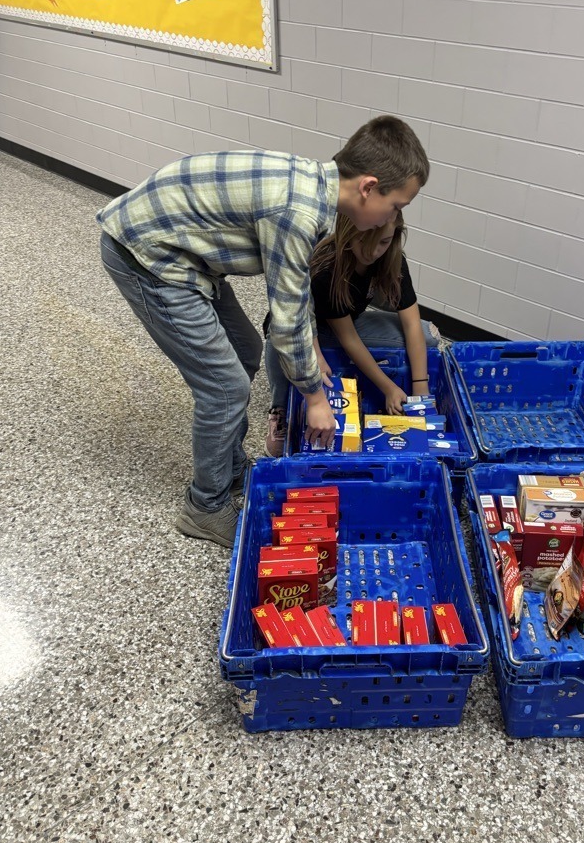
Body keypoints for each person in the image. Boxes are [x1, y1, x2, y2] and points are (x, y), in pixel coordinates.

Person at [97, 115, 429, 547]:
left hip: (186, 254)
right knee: (226, 386)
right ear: (368, 187)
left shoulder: (315, 188)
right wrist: (314, 397)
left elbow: (295, 295)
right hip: (148, 255)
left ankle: (231, 467)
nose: (394, 216)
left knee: (246, 349)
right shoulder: (298, 212)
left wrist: (311, 351)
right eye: (397, 205)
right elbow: (287, 318)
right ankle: (205, 505)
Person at [264, 209, 439, 457]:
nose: (373, 251)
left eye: (383, 242)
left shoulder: (392, 258)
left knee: (427, 334)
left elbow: (411, 322)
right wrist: (388, 387)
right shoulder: (328, 268)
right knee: (278, 337)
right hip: (310, 328)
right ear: (348, 233)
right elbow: (349, 340)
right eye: (364, 241)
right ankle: (280, 409)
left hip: (347, 319)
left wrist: (421, 387)